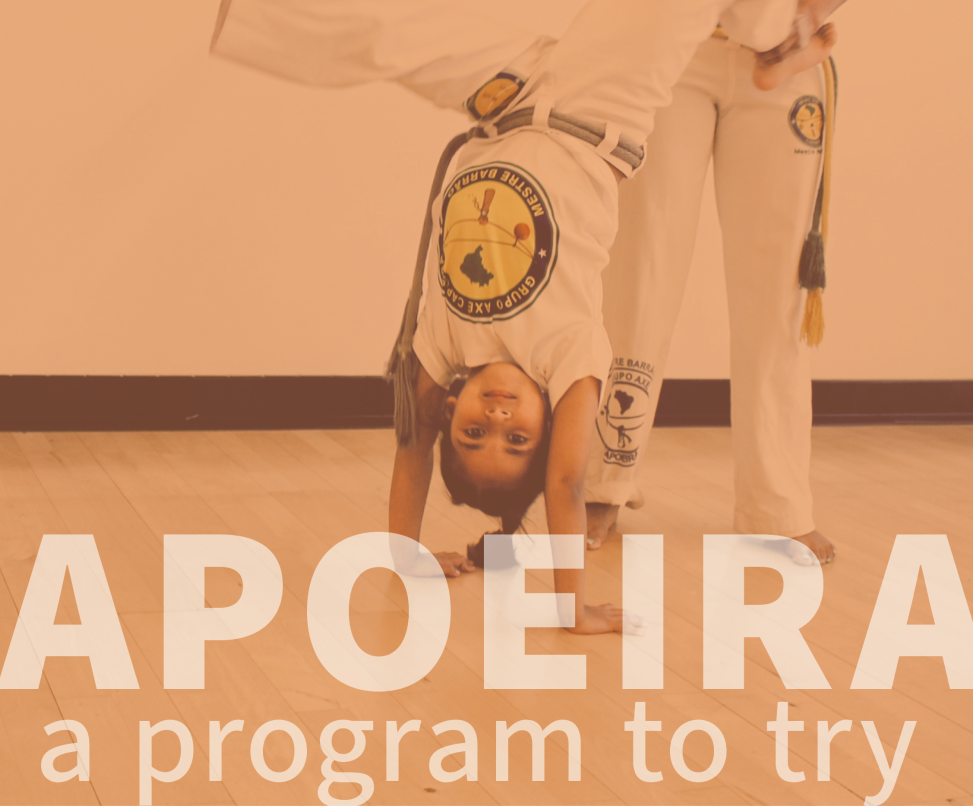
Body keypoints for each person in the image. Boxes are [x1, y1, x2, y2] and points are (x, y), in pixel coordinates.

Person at [213, 0, 838, 632]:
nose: (497, 419)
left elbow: (412, 451)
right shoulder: (568, 356)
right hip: (599, 104)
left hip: (507, 97)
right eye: (516, 440)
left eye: (472, 433)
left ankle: (256, 13)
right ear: (548, 434)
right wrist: (573, 609)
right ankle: (775, 35)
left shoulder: (445, 344)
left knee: (396, 36)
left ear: (449, 411)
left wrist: (406, 556)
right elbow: (565, 485)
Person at [583, 3, 845, 565]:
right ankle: (603, 479)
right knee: (641, 272)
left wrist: (807, 21)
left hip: (789, 51)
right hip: (675, 41)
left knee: (778, 296)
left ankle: (777, 505)